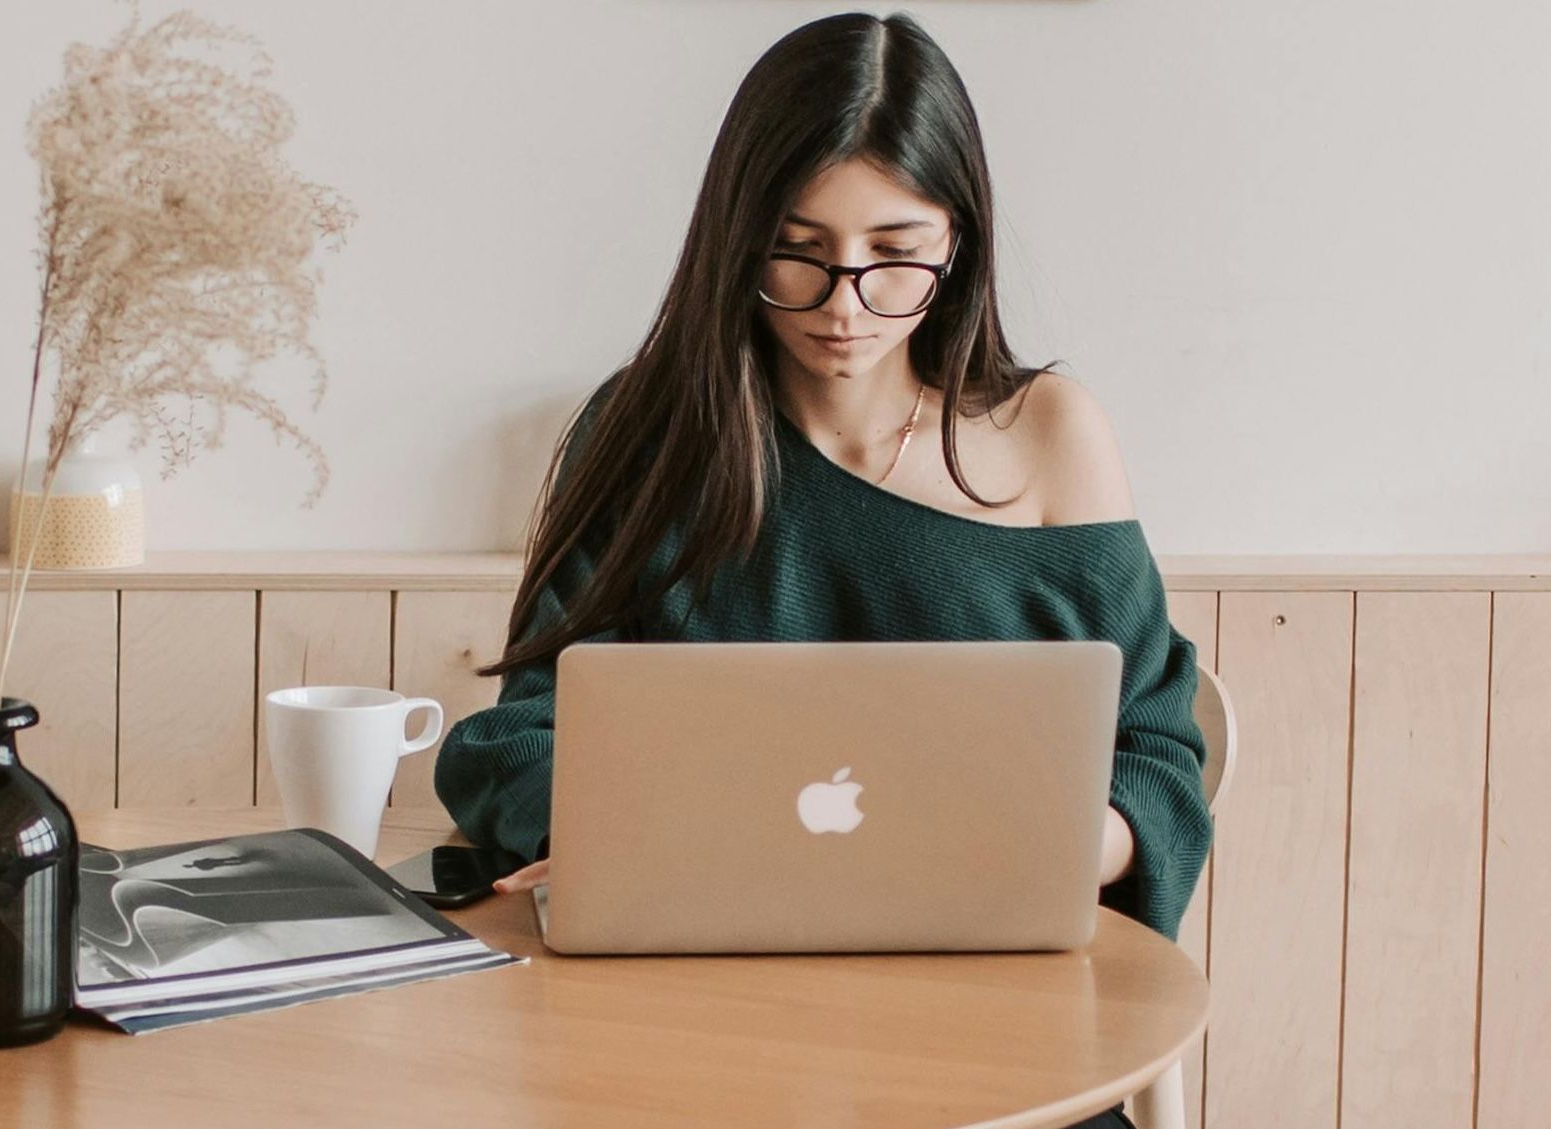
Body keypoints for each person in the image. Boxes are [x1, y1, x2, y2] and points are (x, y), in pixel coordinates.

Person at [434, 17, 1205, 1120]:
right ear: (735, 238)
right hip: (694, 1025)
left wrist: (1070, 842)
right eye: (798, 251)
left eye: (895, 255)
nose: (844, 304)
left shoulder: (1052, 435)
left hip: (1001, 1028)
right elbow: (518, 734)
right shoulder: (643, 435)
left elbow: (1160, 752)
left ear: (960, 243)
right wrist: (621, 836)